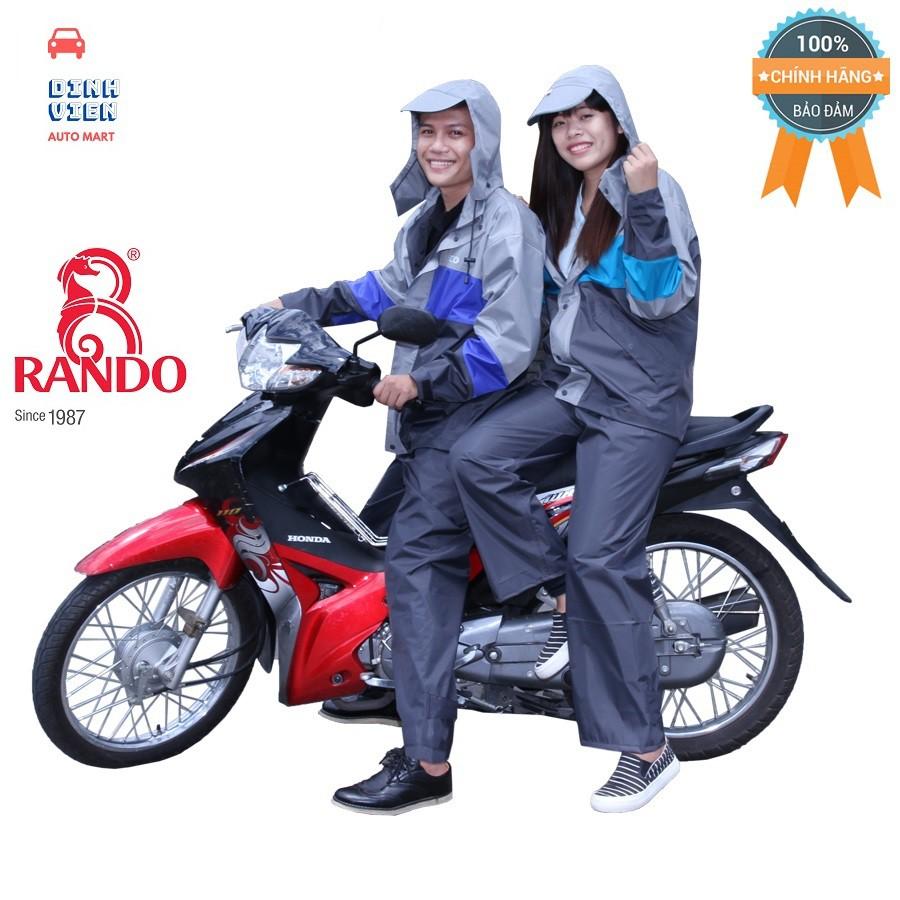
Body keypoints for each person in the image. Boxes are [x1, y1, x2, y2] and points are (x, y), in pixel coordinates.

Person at [257, 80, 545, 813]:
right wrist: (295, 305)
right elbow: (384, 293)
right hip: (434, 419)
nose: (438, 146)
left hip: (480, 411)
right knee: (373, 538)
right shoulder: (425, 222)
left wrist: (422, 385)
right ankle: (394, 680)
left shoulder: (506, 224)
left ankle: (427, 763)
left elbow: (508, 344)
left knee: (416, 568)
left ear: (483, 140)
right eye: (427, 132)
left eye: (455, 132)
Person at [450, 66, 701, 812]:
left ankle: (646, 749)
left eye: (587, 115)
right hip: (575, 391)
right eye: (559, 123)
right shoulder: (563, 205)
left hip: (637, 404)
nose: (573, 130)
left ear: (617, 121)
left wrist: (644, 198)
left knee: (601, 558)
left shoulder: (650, 188)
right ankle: (559, 595)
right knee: (476, 456)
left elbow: (659, 298)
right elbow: (540, 307)